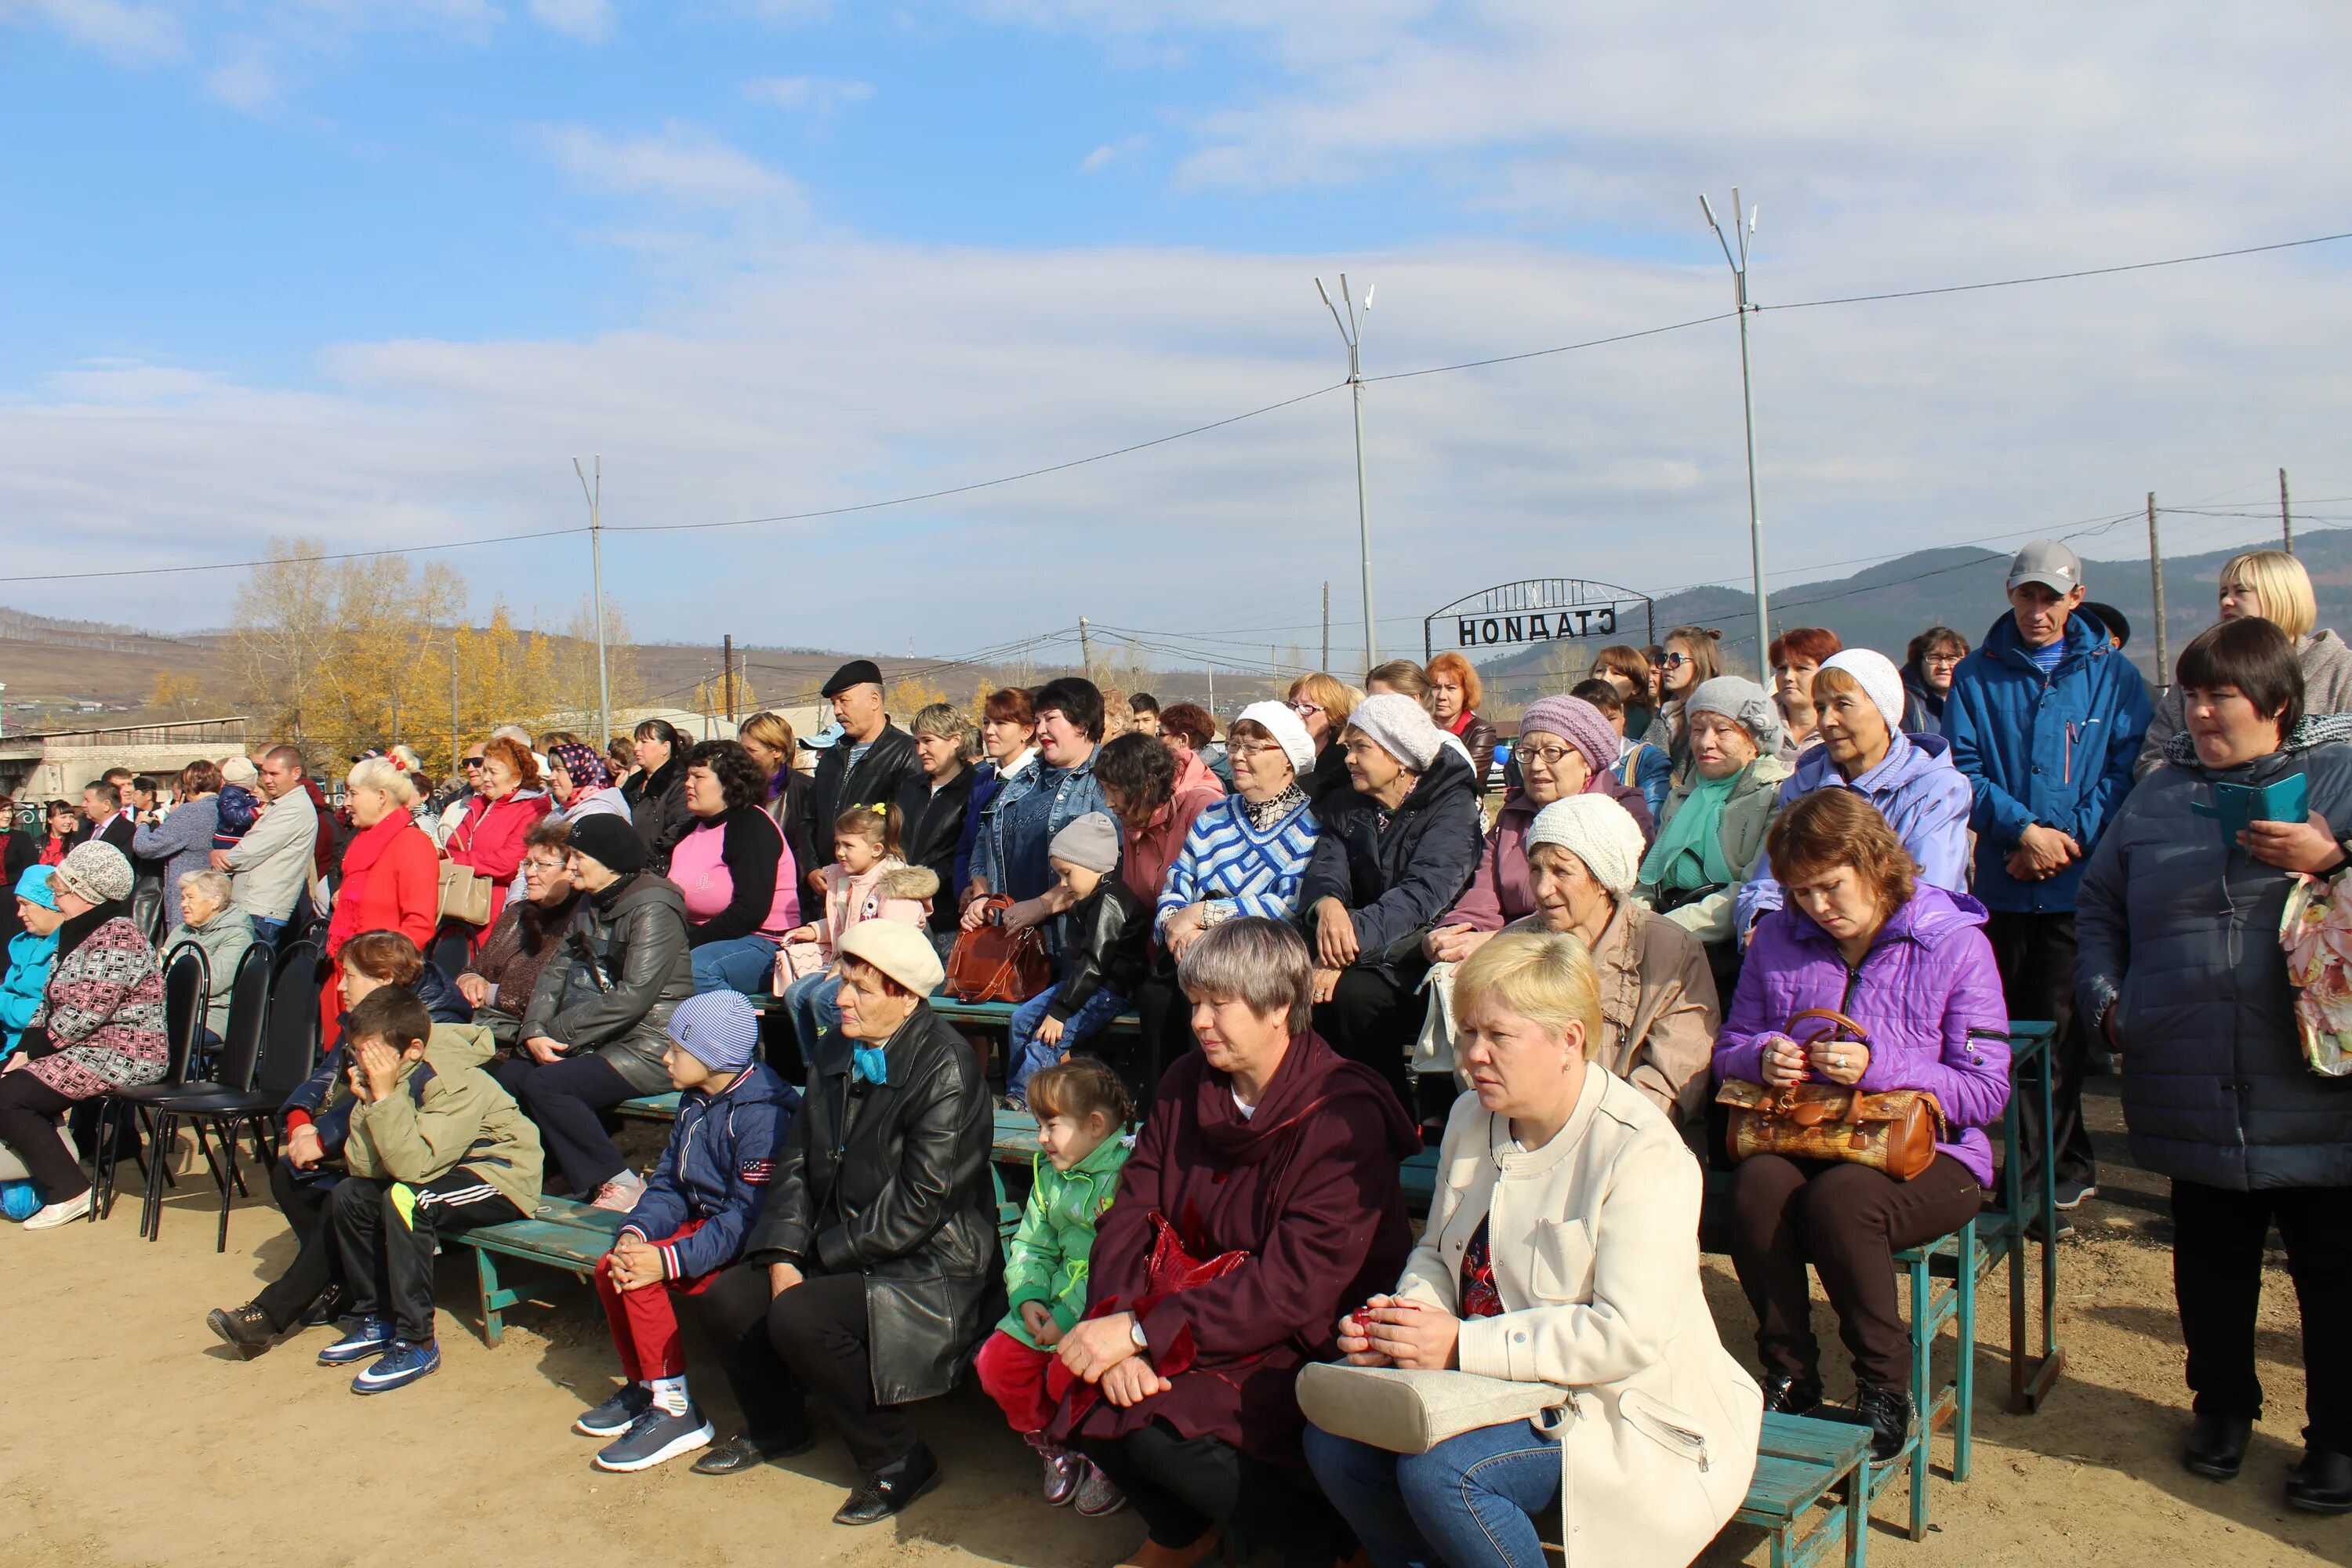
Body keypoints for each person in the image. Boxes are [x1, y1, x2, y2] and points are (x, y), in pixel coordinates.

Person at [1306, 931, 1762, 1568]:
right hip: (1487, 1383)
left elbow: (1625, 1338)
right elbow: (1438, 1253)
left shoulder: (1642, 1153)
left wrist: (1460, 1344)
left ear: (1570, 1040)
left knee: (1443, 1474)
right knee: (1338, 1441)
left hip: (1615, 1410)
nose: (1473, 1056)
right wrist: (1403, 1325)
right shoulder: (1472, 1117)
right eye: (1467, 1034)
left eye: (1498, 1036)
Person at [2076, 615, 2352, 1510]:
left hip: (2315, 1077)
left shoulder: (2341, 780)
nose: (2197, 712)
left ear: (2275, 701)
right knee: (2210, 1261)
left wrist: (2334, 858)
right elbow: (2099, 906)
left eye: (2217, 695)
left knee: (2334, 1272)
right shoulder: (2157, 796)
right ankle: (2222, 1405)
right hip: (2188, 1064)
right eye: (2188, 694)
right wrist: (2110, 1006)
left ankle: (2340, 1439)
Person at [1051, 917, 1417, 1568]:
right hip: (1186, 1305)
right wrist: (1114, 1317)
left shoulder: (1342, 1114)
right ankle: (1183, 1531)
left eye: (1220, 1004)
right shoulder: (1188, 1083)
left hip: (1299, 1333)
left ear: (1280, 1008)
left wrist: (1142, 1335)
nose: (1198, 1021)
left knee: (1166, 1430)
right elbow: (1131, 1210)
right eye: (1195, 1002)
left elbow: (1293, 1287)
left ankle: (1334, 1547)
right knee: (1083, 1382)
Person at [1715, 789, 2011, 1458]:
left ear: (1874, 862)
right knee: (1757, 1187)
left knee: (1842, 1203)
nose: (1818, 907)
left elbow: (1987, 1090)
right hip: (1806, 1134)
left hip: (1932, 1154)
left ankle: (1883, 1384)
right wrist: (1764, 1055)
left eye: (1830, 886)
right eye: (1800, 893)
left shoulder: (1952, 943)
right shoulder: (1779, 942)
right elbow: (1728, 1046)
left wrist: (1882, 1066)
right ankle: (1789, 1372)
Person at [696, 921, 994, 1525]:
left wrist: (816, 1261)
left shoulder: (949, 1070)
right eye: (842, 982)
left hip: (929, 1259)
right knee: (730, 1299)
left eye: (861, 987)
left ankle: (900, 1458)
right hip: (838, 1236)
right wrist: (782, 1252)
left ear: (906, 996)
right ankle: (778, 1429)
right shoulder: (836, 1046)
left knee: (802, 1313)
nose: (841, 998)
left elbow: (922, 1204)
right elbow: (799, 1161)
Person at [1944, 540, 2151, 1216]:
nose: (2039, 610)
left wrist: (2064, 842)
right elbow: (1962, 769)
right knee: (2004, 1030)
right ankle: (2034, 1164)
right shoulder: (1976, 675)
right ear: (2010, 595)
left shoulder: (2113, 676)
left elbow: (2125, 770)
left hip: (2075, 886)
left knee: (2061, 1033)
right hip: (2005, 882)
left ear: (2076, 599)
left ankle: (2053, 1169)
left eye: (2051, 597)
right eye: (2027, 595)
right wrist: (2022, 831)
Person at [208, 935, 499, 1356]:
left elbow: (390, 1092)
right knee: (291, 1176)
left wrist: (324, 1138)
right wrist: (299, 1121)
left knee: (344, 1194)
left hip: (432, 1150)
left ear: (384, 979)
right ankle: (341, 1283)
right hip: (378, 1136)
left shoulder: (428, 1023)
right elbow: (328, 1073)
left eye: (349, 977)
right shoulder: (369, 1014)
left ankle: (270, 1314)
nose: (340, 988)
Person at [575, 990, 801, 1473]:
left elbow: (748, 1216)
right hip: (705, 1230)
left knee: (643, 1277)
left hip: (746, 1247)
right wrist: (637, 1231)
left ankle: (676, 1409)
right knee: (611, 1266)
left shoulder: (764, 1114)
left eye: (677, 1048)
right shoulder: (696, 1099)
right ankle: (645, 1386)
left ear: (713, 1055)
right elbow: (670, 1184)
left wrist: (665, 1260)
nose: (665, 1056)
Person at [311, 988, 541, 1393]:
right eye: (358, 1052)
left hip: (500, 1176)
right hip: (441, 1169)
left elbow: (413, 1169)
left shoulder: (452, 1080)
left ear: (412, 1049)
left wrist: (382, 1101)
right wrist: (368, 1104)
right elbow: (365, 1167)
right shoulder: (392, 1078)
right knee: (349, 1193)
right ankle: (375, 1317)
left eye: (374, 1053)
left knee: (406, 1199)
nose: (363, 1062)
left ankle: (417, 1340)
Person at [1301, 693, 1486, 1102]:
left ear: (1401, 757)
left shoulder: (1452, 809)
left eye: (1361, 747)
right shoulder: (1350, 803)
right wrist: (1327, 904)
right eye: (1348, 747)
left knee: (1354, 997)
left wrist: (1341, 950)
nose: (1348, 758)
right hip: (1357, 942)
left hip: (1416, 950)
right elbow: (1326, 866)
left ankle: (1387, 1117)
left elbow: (1423, 895)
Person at [976, 1056, 1136, 1516]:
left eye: (1051, 1125)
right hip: (1051, 1303)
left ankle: (1102, 1455)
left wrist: (1068, 1320)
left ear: (1095, 1124)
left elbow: (1114, 1262)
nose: (1041, 1137)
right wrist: (1028, 1298)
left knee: (1065, 1373)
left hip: (1103, 1311)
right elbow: (1032, 1244)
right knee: (997, 1363)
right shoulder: (1050, 1176)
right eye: (1037, 1124)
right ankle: (1054, 1444)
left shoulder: (1127, 1175)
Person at [509, 815, 694, 1210]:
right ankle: (542, 1174)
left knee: (548, 1085)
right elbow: (556, 970)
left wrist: (557, 1031)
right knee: (513, 1072)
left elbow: (635, 995)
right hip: (604, 1035)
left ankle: (620, 1182)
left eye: (577, 856)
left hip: (652, 1042)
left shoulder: (655, 908)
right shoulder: (592, 901)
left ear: (607, 861)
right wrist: (534, 1029)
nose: (570, 865)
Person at [1734, 648, 1973, 938]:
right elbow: (1771, 879)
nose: (1827, 722)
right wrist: (1763, 920)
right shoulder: (1803, 787)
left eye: (1843, 704)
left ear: (1886, 711)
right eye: (1821, 708)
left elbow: (1929, 896)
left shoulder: (1936, 787)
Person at [1146, 702, 1323, 1075]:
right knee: (1157, 996)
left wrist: (1205, 916)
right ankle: (1167, 1114)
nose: (1239, 756)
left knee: (1228, 1006)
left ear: (1288, 760)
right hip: (1194, 954)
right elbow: (1179, 880)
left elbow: (1287, 904)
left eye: (1253, 748)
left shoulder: (1311, 824)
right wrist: (1178, 928)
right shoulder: (1215, 815)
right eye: (1234, 746)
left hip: (1263, 960)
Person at [0, 842, 165, 1230]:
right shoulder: (78, 933)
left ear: (84, 892)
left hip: (125, 1053)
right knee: (10, 1084)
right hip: (86, 1049)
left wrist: (30, 1056)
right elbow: (48, 1002)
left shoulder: (118, 936)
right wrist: (23, 1049)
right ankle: (50, 1179)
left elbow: (82, 1013)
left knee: (8, 1098)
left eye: (61, 889)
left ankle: (70, 1191)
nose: (56, 897)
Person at [1636, 677, 1791, 995]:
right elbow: (1650, 878)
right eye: (1697, 729)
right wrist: (1634, 917)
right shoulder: (1681, 797)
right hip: (1662, 936)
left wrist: (1664, 930)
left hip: (1724, 955)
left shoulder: (1776, 798)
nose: (1705, 742)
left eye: (1723, 730)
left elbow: (1749, 889)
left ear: (1754, 740)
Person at [2138, 547, 2352, 777]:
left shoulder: (2341, 671)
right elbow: (2152, 760)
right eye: (2222, 593)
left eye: (2240, 591)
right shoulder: (2199, 672)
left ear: (2282, 596)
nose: (2227, 601)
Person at [1005, 815, 1149, 1106]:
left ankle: (1023, 1099)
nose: (1063, 883)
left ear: (1094, 865)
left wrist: (1060, 1012)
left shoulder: (1110, 902)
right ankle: (1016, 1089)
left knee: (1049, 1038)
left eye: (1067, 873)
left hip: (1108, 990)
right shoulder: (1090, 898)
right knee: (1021, 1020)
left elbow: (1095, 963)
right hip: (1082, 987)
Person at [962, 676, 1110, 933]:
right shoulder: (1026, 777)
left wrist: (1043, 905)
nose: (1040, 730)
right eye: (1038, 720)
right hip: (1007, 934)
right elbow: (985, 835)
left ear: (1082, 723)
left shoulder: (1104, 780)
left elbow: (1108, 867)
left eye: (1051, 719)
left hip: (1067, 939)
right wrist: (982, 894)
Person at [322, 755, 441, 1045]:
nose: (346, 802)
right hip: (346, 972)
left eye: (353, 793)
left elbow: (419, 924)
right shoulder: (363, 839)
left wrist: (382, 971)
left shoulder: (411, 843)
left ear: (381, 797)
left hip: (378, 982)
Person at [670, 739, 800, 996]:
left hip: (762, 941)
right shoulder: (688, 829)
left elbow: (750, 911)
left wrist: (685, 944)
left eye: (698, 777)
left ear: (728, 782)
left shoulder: (750, 825)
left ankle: (734, 1035)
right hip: (701, 937)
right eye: (687, 776)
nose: (688, 784)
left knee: (697, 969)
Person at [456, 818, 579, 1049]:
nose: (530, 874)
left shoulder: (578, 923)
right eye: (528, 864)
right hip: (480, 1024)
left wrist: (490, 993)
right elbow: (475, 967)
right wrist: (468, 980)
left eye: (541, 865)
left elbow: (554, 993)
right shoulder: (516, 914)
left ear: (571, 870)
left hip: (520, 1039)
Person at [804, 660, 924, 897]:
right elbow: (808, 819)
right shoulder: (832, 756)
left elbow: (904, 830)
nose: (837, 710)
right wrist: (811, 867)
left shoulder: (905, 753)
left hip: (873, 891)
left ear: (874, 701)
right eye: (834, 703)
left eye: (844, 701)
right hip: (826, 886)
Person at [434, 735, 552, 974]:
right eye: (484, 770)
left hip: (495, 905)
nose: (485, 777)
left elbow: (510, 860)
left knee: (483, 970)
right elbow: (453, 845)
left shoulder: (531, 807)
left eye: (493, 772)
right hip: (460, 903)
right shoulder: (479, 805)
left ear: (516, 777)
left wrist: (463, 861)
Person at [1095, 731, 1219, 939]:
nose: (1109, 802)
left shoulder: (1203, 807)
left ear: (1147, 786)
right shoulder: (1135, 815)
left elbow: (1215, 898)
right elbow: (1135, 898)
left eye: (1115, 790)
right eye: (1105, 790)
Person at [212, 744, 318, 949]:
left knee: (252, 973)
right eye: (264, 773)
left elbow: (251, 851)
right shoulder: (278, 804)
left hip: (263, 908)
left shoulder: (294, 809)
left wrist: (221, 857)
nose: (267, 779)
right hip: (252, 903)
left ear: (296, 772)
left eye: (274, 774)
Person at [895, 702, 976, 955]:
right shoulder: (909, 786)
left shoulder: (977, 788)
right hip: (899, 912)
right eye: (916, 742)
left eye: (928, 741)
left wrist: (928, 882)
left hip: (947, 918)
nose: (920, 750)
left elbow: (971, 851)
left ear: (955, 740)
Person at [955, 687, 1040, 913]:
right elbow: (968, 844)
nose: (989, 731)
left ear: (1027, 730)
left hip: (1020, 904)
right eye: (986, 722)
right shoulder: (983, 781)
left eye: (1001, 724)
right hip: (978, 902)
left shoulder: (1040, 780)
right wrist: (966, 887)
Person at [161, 869, 253, 1047]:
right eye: (182, 898)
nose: (183, 905)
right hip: (170, 1011)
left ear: (214, 901)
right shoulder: (181, 930)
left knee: (154, 1039)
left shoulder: (237, 935)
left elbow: (213, 981)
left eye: (190, 898)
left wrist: (182, 963)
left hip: (208, 1018)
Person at [130, 761, 220, 934]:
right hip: (215, 897)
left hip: (189, 900)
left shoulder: (191, 812)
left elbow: (145, 847)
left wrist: (142, 824)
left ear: (188, 785)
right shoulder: (221, 808)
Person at [737, 711, 818, 895]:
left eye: (751, 750)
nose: (743, 757)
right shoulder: (734, 788)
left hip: (790, 892)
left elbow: (810, 847)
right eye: (742, 749)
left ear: (777, 751)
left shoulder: (807, 790)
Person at [1570, 677, 1670, 820]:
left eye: (1611, 719)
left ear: (1622, 713)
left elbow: (1650, 823)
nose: (1605, 730)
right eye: (1593, 723)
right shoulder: (1565, 762)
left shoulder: (1647, 760)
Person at [3, 866, 61, 1058]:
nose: (20, 913)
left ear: (51, 904)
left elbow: (46, 1012)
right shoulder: (25, 942)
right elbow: (9, 989)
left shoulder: (68, 948)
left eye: (26, 904)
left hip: (32, 1048)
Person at [624, 718, 694, 874]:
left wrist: (648, 861)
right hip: (632, 868)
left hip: (660, 871)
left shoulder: (679, 783)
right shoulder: (633, 784)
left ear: (665, 747)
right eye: (636, 741)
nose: (636, 748)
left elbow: (679, 828)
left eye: (644, 742)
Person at [1655, 625, 1724, 779]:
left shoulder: (1715, 717)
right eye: (1663, 659)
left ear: (1699, 663)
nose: (1666, 666)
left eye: (1675, 659)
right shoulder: (1663, 715)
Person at [1769, 625, 1843, 766]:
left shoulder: (1844, 731)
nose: (1788, 676)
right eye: (1782, 668)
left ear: (1827, 672)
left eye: (1801, 668)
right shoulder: (1755, 727)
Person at [1285, 672, 1359, 808]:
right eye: (1292, 705)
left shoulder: (1344, 767)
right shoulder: (1275, 754)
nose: (1296, 714)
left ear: (1334, 716)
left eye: (1307, 707)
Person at [1426, 651, 1499, 786]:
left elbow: (1463, 778)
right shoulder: (1421, 728)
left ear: (1466, 692)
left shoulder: (1481, 731)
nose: (1441, 696)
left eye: (1451, 688)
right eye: (1435, 687)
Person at [1902, 626, 1969, 735]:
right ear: (1919, 663)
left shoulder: (1972, 705)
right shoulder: (1905, 706)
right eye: (1934, 658)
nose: (1943, 666)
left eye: (1952, 659)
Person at [1152, 702, 1228, 799]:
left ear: (1183, 740)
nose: (1156, 741)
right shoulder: (1179, 774)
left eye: (1161, 734)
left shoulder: (1206, 784)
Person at [548, 738, 629, 824]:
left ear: (579, 773)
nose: (551, 777)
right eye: (552, 769)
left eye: (558, 770)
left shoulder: (599, 815)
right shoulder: (559, 813)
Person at [1588, 643, 1657, 741]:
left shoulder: (1637, 718)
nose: (1605, 678)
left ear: (1636, 687)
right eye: (1599, 671)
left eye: (1616, 673)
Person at [77, 779, 136, 855]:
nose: (83, 805)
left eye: (87, 801)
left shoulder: (127, 830)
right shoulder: (86, 828)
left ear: (106, 805)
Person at [38, 798, 78, 867]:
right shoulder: (38, 843)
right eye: (63, 817)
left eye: (71, 817)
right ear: (50, 820)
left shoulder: (78, 840)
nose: (69, 821)